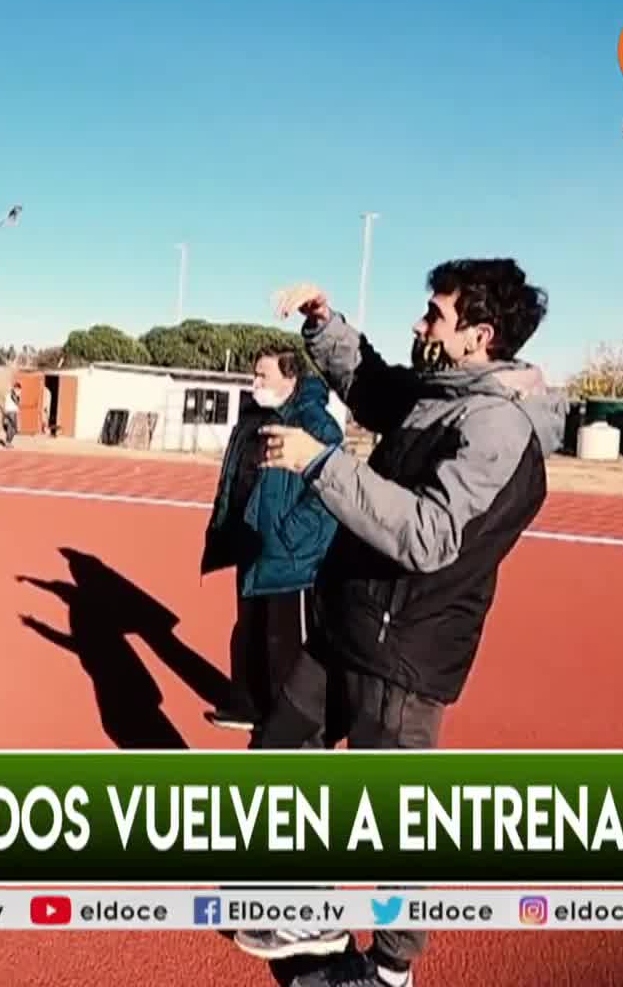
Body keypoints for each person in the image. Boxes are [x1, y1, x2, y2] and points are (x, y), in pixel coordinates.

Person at [237, 259, 563, 987]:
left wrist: (322, 464)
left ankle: (390, 968)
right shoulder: (442, 392)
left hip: (405, 653)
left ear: (479, 335)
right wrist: (322, 319)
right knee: (281, 747)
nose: (421, 325)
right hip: (348, 621)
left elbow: (428, 536)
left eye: (435, 316)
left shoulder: (496, 428)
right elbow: (376, 388)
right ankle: (309, 900)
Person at [198, 341, 343, 736]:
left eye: (264, 374)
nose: (254, 381)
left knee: (285, 645)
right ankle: (246, 703)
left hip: (291, 556)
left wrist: (288, 535)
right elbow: (235, 477)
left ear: (290, 377)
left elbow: (329, 493)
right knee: (249, 631)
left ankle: (288, 727)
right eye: (255, 373)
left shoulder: (315, 423)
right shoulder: (252, 417)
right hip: (250, 543)